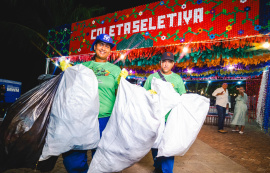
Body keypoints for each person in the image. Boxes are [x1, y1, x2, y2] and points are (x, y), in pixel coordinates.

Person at [62, 33, 127, 173]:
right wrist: (67, 73)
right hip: (82, 117)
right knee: (75, 155)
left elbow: (120, 96)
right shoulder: (83, 67)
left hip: (105, 118)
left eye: (107, 46)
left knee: (103, 157)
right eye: (101, 44)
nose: (104, 48)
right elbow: (72, 90)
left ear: (110, 51)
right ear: (95, 46)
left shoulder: (115, 70)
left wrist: (124, 87)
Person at [143, 52, 186, 173]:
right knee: (155, 143)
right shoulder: (152, 77)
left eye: (169, 61)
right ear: (160, 63)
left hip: (171, 118)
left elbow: (183, 97)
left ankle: (167, 170)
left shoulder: (177, 79)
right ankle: (157, 166)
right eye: (164, 61)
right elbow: (144, 94)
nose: (166, 64)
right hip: (155, 117)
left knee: (168, 145)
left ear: (173, 64)